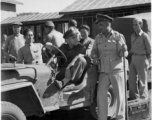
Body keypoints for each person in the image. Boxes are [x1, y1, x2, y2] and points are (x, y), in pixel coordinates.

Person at [91, 14, 128, 120]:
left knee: (120, 96)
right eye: (99, 25)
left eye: (101, 25)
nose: (99, 27)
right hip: (103, 71)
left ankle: (120, 118)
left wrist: (123, 50)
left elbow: (124, 55)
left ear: (108, 24)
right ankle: (102, 118)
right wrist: (94, 56)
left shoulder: (118, 36)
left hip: (117, 70)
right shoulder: (98, 38)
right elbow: (94, 51)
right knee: (101, 96)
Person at [128, 18, 151, 100]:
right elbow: (133, 48)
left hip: (142, 58)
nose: (134, 27)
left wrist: (148, 61)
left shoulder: (144, 36)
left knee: (142, 80)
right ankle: (133, 97)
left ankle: (143, 98)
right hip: (133, 58)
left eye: (136, 24)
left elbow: (150, 50)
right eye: (133, 25)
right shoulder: (132, 36)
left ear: (141, 25)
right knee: (131, 79)